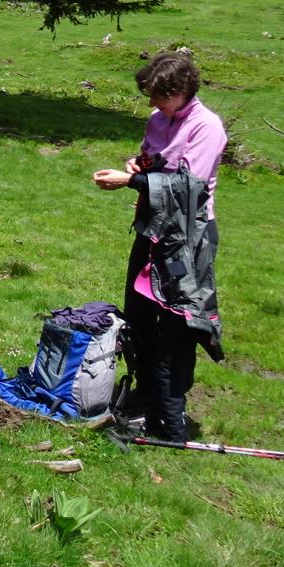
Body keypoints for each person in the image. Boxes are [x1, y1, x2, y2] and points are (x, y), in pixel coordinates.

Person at [92, 50, 227, 443]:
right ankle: (144, 393)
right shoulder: (156, 120)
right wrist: (137, 165)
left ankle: (170, 415)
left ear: (182, 90)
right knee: (138, 314)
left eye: (157, 95)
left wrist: (129, 182)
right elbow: (154, 163)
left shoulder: (207, 127)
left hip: (186, 241)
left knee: (176, 326)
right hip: (150, 230)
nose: (151, 103)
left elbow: (189, 187)